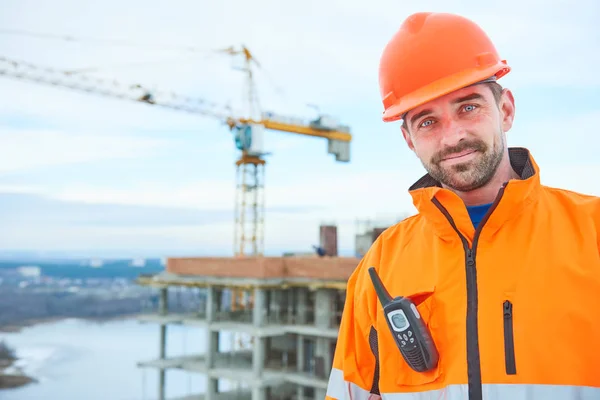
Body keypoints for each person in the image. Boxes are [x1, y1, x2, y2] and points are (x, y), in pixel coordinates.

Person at [325, 11, 600, 400]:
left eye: (468, 107)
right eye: (427, 121)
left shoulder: (593, 232)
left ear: (505, 111)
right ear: (409, 140)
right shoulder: (380, 266)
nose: (452, 136)